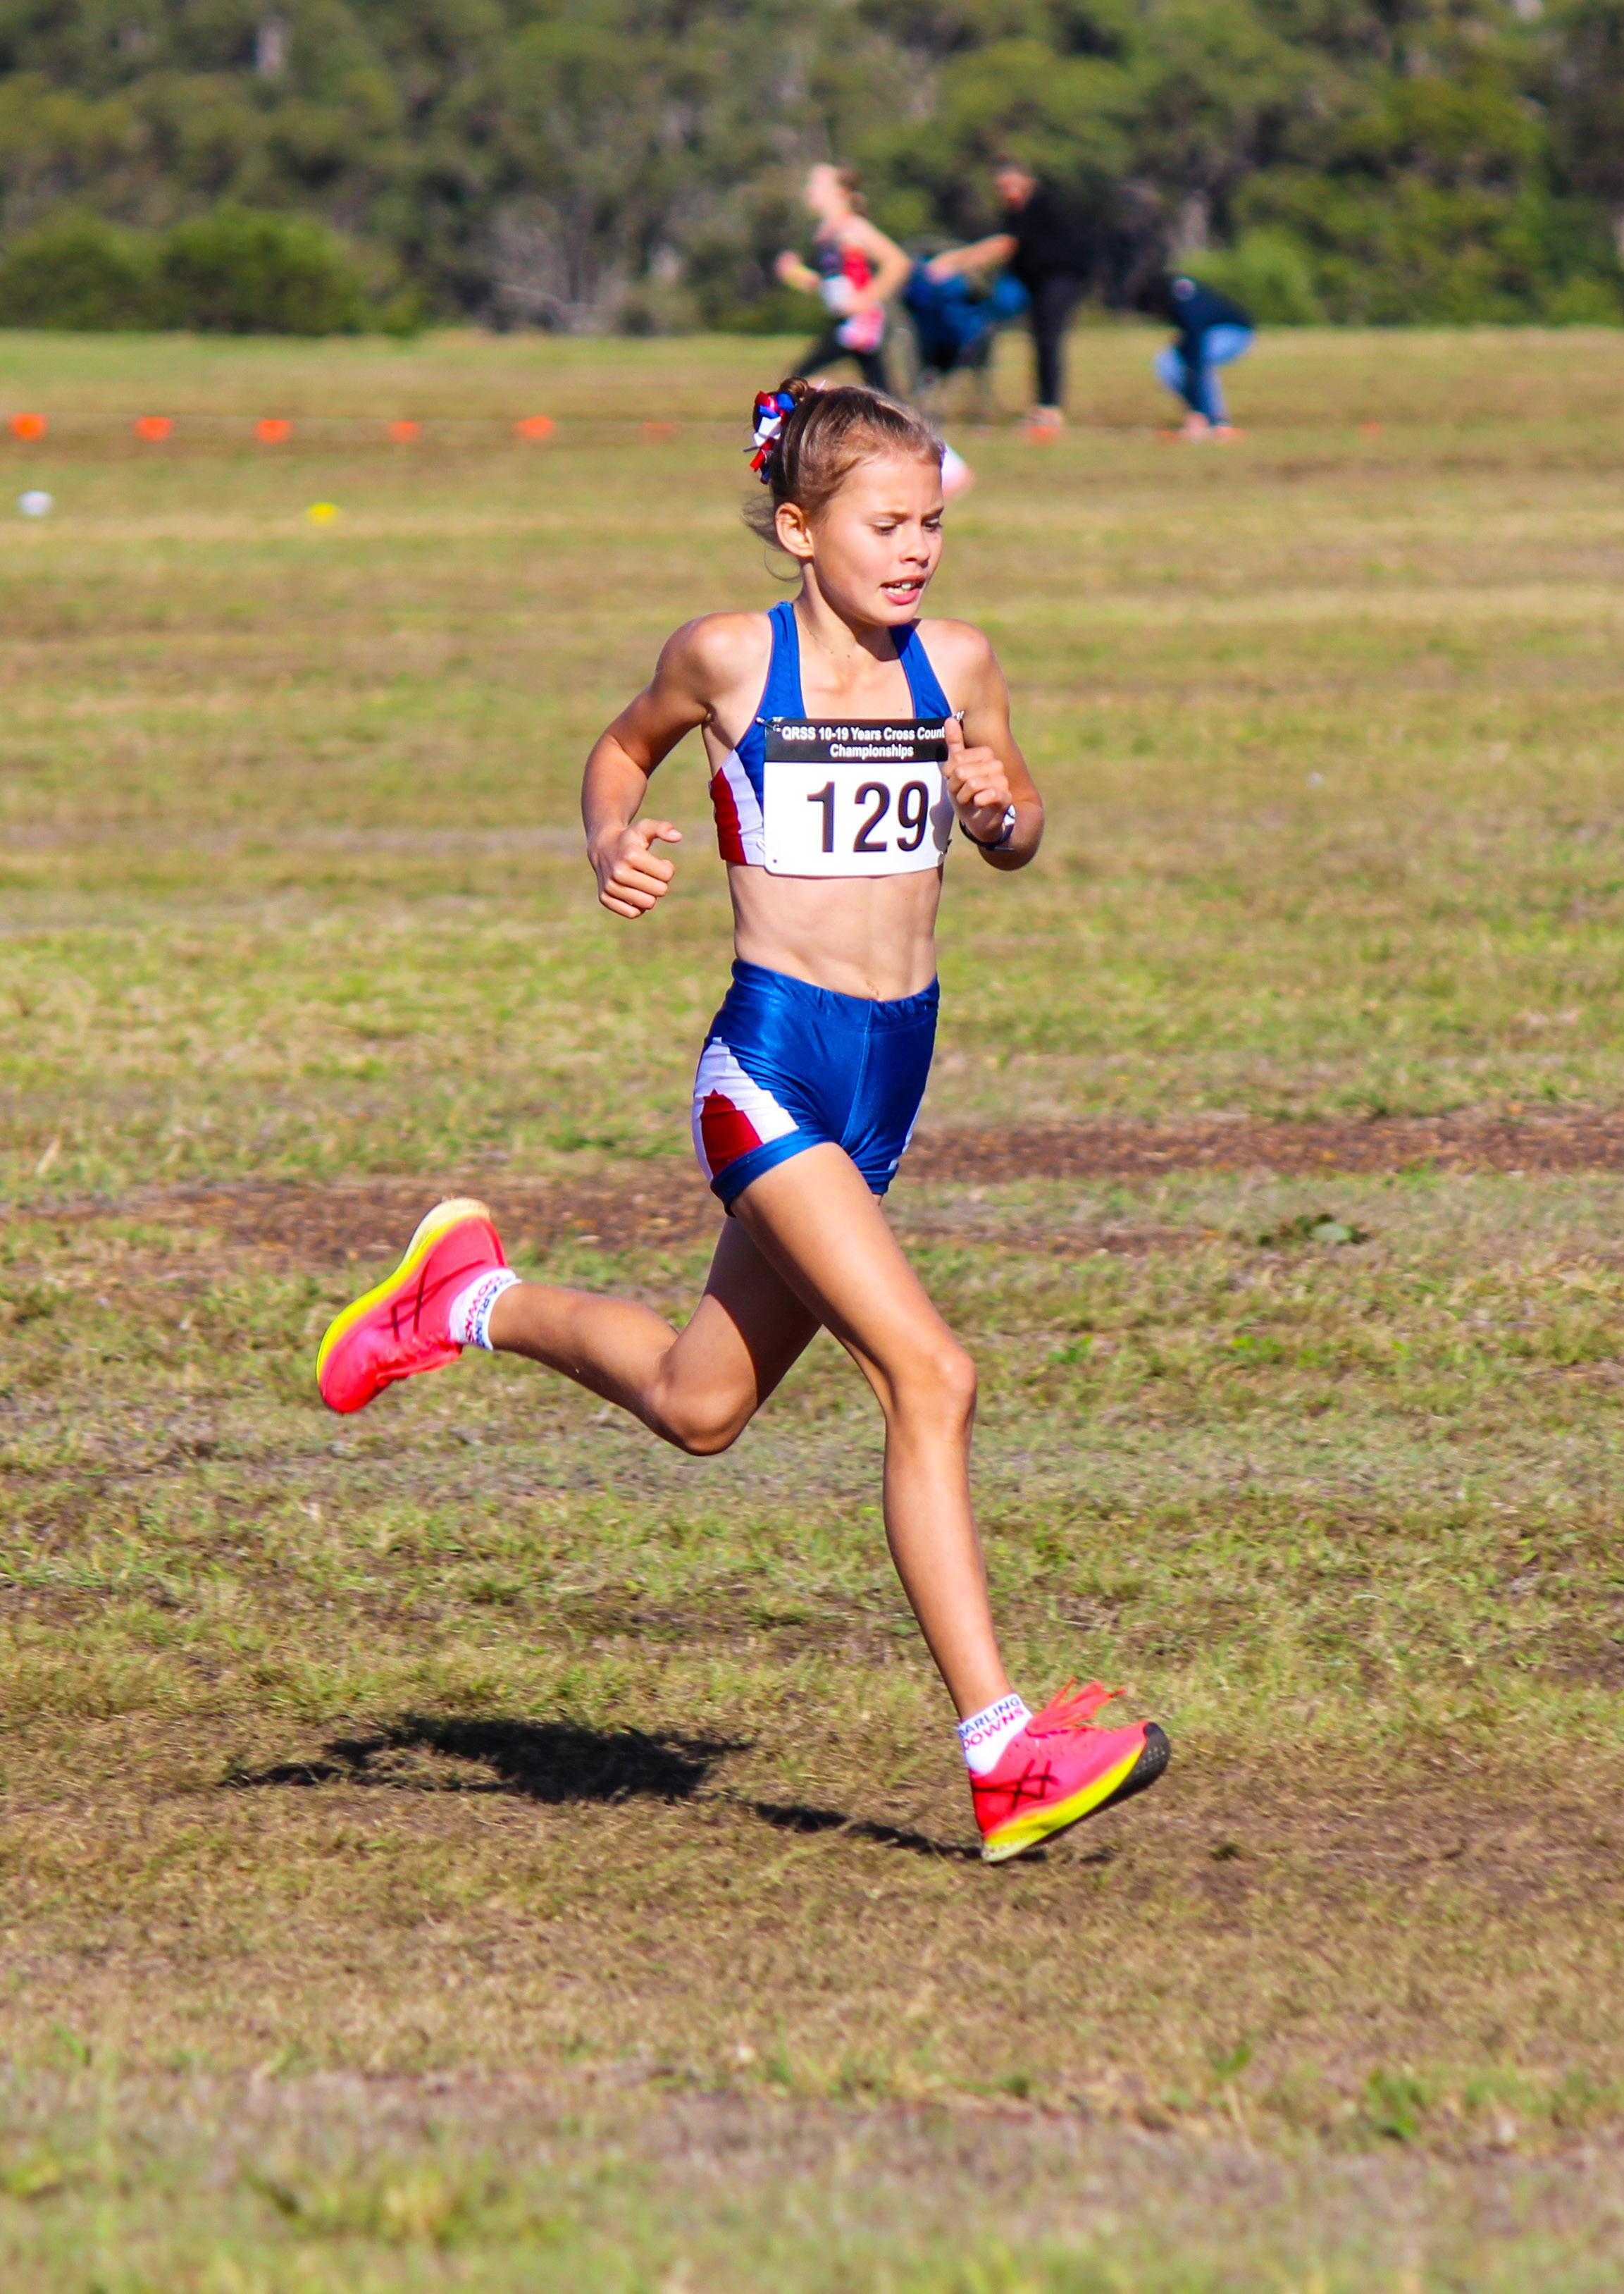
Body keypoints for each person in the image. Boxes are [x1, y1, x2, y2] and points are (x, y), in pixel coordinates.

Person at [314, 379, 1170, 1864]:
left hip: (889, 1078)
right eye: (885, 524)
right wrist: (610, 838)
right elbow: (619, 747)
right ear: (798, 528)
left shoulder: (960, 662)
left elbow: (1022, 827)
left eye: (934, 524)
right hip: (769, 1065)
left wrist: (996, 812)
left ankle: (467, 1298)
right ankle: (1003, 1751)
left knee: (700, 1407)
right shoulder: (728, 656)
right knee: (932, 1374)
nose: (917, 550)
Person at [925, 159, 1096, 431]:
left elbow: (1003, 246)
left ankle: (1050, 408)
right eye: (1002, 188)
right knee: (1040, 337)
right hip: (1038, 281)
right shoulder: (1015, 213)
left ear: (1027, 181)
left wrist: (954, 262)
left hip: (1061, 277)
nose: (1007, 192)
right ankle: (1044, 404)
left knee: (1048, 336)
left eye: (1011, 185)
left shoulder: (1040, 205)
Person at [775, 164, 910, 393]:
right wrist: (795, 273)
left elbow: (898, 262)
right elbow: (830, 283)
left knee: (797, 380)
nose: (808, 191)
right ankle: (860, 405)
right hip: (845, 320)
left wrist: (866, 299)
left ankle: (845, 403)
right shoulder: (826, 233)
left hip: (861, 323)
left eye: (816, 185)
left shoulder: (853, 227)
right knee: (881, 392)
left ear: (840, 192)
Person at [1137, 272, 1254, 440]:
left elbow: (1196, 359)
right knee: (1167, 364)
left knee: (1200, 362)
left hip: (1235, 332)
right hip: (1207, 333)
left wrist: (1198, 411)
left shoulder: (1185, 304)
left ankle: (1216, 422)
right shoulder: (1176, 293)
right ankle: (1202, 417)